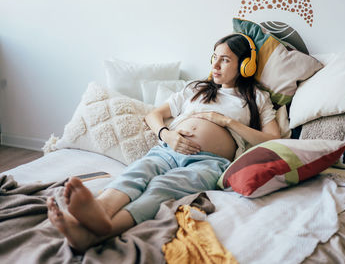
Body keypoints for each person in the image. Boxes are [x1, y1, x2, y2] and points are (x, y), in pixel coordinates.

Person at [47, 33, 281, 252]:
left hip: (209, 163)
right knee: (136, 172)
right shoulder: (196, 89)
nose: (215, 65)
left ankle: (102, 230)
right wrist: (167, 135)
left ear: (245, 65)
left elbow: (274, 139)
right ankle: (100, 210)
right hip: (169, 149)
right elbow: (153, 115)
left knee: (161, 188)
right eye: (214, 58)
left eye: (225, 60)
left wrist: (227, 122)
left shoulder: (257, 99)